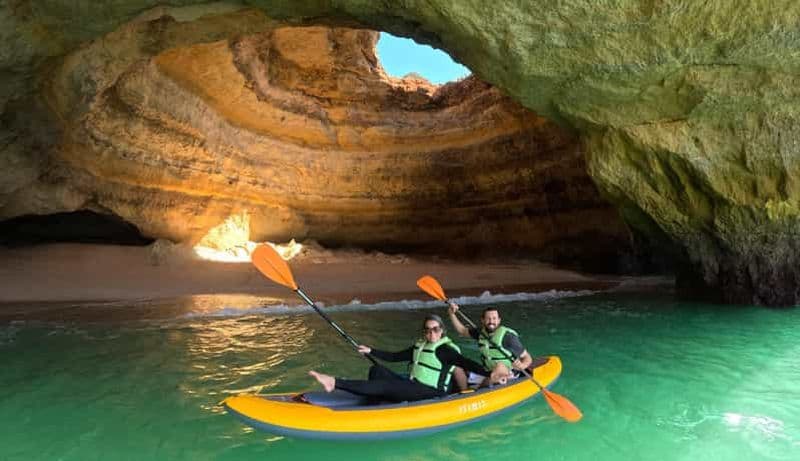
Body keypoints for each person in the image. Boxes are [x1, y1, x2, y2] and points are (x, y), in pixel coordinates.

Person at [308, 314, 488, 402]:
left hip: (432, 393)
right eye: (427, 329)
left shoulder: (446, 350)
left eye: (435, 329)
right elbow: (395, 357)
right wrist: (371, 351)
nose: (431, 333)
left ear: (442, 331)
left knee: (386, 385)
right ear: (424, 332)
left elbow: (468, 364)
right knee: (376, 369)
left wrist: (490, 373)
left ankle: (334, 382)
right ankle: (375, 400)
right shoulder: (420, 346)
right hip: (413, 386)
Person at [447, 303, 533, 389]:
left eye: (494, 318)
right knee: (457, 367)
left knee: (498, 369)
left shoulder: (508, 337)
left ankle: (478, 391)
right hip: (488, 370)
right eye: (488, 318)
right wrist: (452, 314)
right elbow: (462, 330)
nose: (491, 321)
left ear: (499, 320)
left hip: (508, 372)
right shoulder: (480, 333)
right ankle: (464, 391)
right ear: (483, 320)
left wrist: (522, 366)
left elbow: (527, 357)